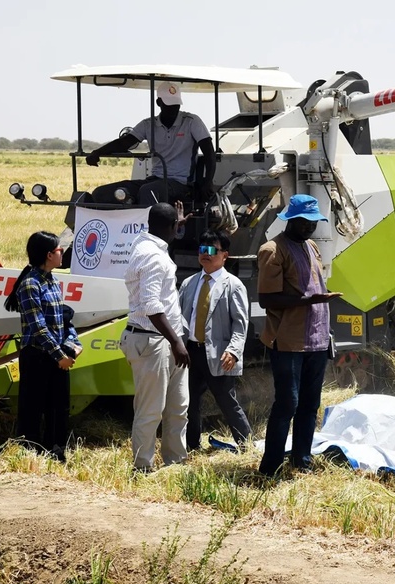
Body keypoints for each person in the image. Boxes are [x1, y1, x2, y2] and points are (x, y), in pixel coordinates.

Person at [256, 194, 343, 477]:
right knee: (287, 404)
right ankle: (270, 467)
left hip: (317, 340)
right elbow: (267, 300)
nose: (309, 227)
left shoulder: (311, 246)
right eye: (304, 222)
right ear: (290, 219)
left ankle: (301, 462)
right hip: (289, 341)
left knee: (310, 404)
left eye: (313, 222)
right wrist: (309, 301)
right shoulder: (272, 250)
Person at [120, 202, 190, 472]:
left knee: (178, 406)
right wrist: (176, 342)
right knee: (151, 411)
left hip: (162, 340)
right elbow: (151, 307)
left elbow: (161, 234)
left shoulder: (147, 244)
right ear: (171, 228)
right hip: (154, 341)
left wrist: (175, 223)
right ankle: (143, 468)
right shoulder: (153, 256)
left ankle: (175, 463)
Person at [3, 231, 81, 463]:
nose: (62, 253)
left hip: (55, 354)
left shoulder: (53, 281)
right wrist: (59, 356)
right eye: (59, 250)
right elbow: (38, 327)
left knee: (58, 407)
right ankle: (31, 453)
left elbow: (64, 320)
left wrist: (74, 343)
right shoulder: (30, 285)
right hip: (37, 355)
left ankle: (55, 452)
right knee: (33, 406)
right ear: (49, 255)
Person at [86, 82, 216, 206]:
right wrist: (98, 152)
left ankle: (149, 228)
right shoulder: (148, 124)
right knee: (101, 193)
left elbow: (209, 151)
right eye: (169, 104)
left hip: (181, 184)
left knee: (148, 191)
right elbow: (124, 142)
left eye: (176, 104)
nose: (173, 108)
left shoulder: (191, 121)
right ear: (159, 102)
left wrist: (208, 181)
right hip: (154, 180)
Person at [179, 229, 252, 453]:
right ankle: (192, 447)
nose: (206, 254)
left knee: (227, 402)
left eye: (212, 250)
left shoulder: (233, 285)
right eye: (202, 249)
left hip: (219, 354)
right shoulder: (189, 283)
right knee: (189, 403)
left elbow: (240, 323)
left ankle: (246, 446)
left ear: (225, 255)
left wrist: (233, 351)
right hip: (191, 352)